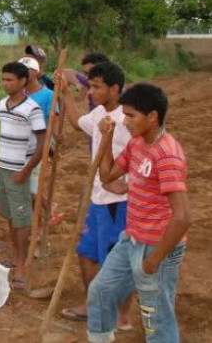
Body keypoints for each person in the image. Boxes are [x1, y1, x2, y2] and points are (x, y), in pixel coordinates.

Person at [88, 83, 191, 343]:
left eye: (131, 115)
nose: (125, 122)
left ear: (152, 116)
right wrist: (107, 139)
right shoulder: (137, 144)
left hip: (158, 246)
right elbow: (108, 176)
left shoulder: (167, 155)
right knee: (101, 290)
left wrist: (154, 260)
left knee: (157, 319)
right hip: (131, 239)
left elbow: (182, 217)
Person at [57, 62, 132, 330]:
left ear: (115, 88)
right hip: (97, 197)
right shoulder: (100, 112)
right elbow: (77, 123)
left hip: (118, 203)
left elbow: (143, 155)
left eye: (96, 87)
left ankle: (122, 316)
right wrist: (65, 92)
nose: (90, 92)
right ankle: (94, 304)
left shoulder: (128, 118)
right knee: (86, 253)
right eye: (89, 86)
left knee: (117, 260)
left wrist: (128, 184)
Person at [0, 62, 46, 290]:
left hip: (19, 171)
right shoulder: (1, 105)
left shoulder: (32, 109)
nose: (5, 84)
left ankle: (22, 267)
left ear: (23, 81)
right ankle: (16, 257)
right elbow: (4, 136)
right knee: (10, 215)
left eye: (10, 80)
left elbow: (42, 144)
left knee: (22, 218)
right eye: (3, 79)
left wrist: (25, 171)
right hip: (3, 169)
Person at [16, 56, 55, 199]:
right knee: (21, 186)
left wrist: (51, 143)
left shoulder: (48, 95)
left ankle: (46, 210)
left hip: (38, 145)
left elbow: (53, 121)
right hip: (19, 145)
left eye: (28, 70)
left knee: (32, 187)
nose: (24, 73)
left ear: (37, 72)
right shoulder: (17, 94)